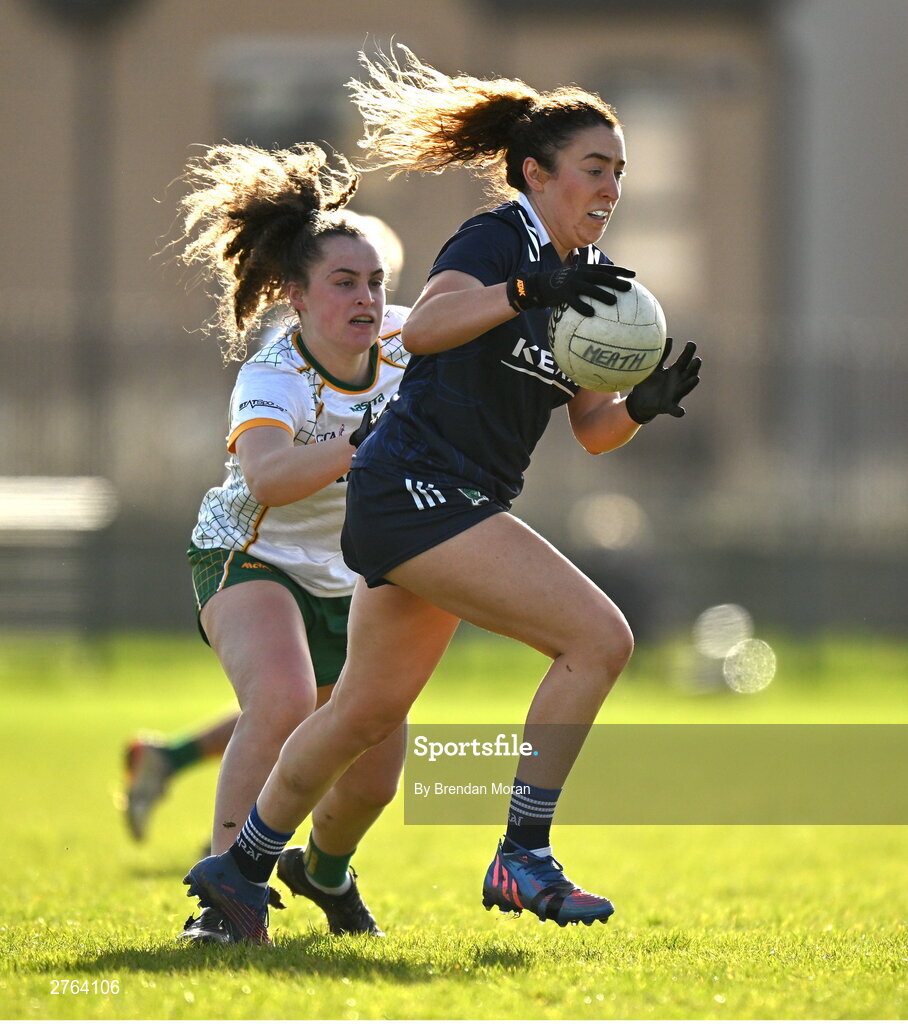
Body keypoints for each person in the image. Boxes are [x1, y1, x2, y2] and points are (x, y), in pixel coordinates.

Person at [183, 47, 701, 941]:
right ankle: (523, 854)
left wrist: (641, 407)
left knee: (363, 713)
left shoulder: (587, 270)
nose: (611, 186)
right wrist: (530, 284)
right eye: (595, 169)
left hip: (439, 497)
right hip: (420, 487)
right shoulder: (502, 239)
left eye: (620, 171)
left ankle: (241, 869)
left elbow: (590, 427)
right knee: (598, 639)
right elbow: (424, 328)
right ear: (537, 174)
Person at [170, 140, 411, 943]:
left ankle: (323, 873)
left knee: (378, 771)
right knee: (277, 703)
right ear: (296, 298)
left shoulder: (408, 346)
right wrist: (364, 447)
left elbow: (495, 332)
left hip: (358, 577)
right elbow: (269, 478)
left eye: (375, 281)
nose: (366, 297)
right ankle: (227, 901)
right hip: (250, 557)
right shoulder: (273, 374)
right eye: (343, 282)